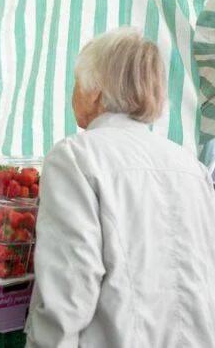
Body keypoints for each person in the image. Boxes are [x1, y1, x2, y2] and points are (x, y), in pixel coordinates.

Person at [25, 28, 215, 348]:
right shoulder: (190, 167)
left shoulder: (76, 156)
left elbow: (70, 286)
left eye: (75, 83)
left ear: (94, 90)